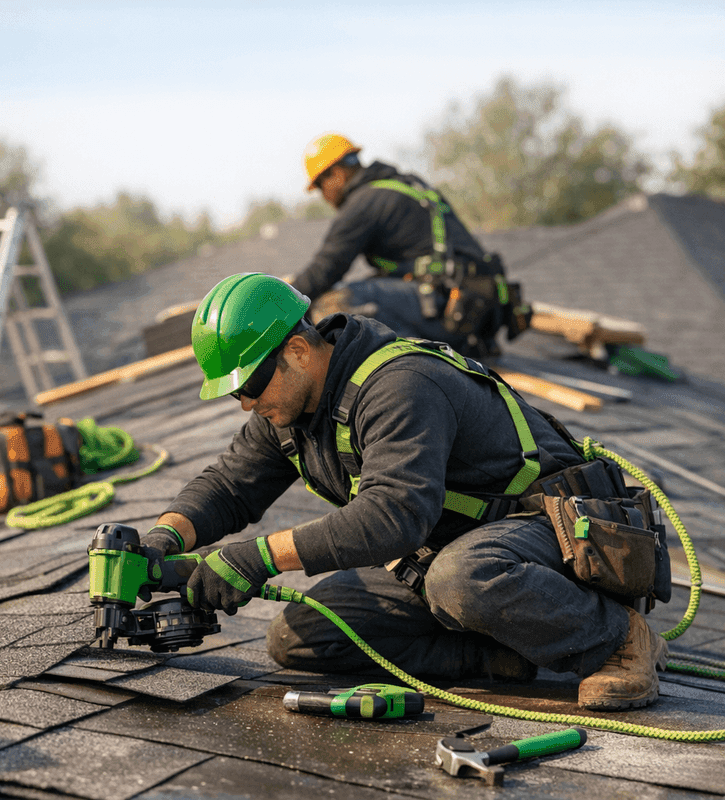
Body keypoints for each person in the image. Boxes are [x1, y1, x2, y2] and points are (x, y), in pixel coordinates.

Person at [141, 272, 670, 711]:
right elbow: (231, 485)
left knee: (461, 577)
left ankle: (618, 638)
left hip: (551, 533)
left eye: (249, 387)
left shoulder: (400, 385)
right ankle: (496, 654)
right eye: (235, 393)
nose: (245, 404)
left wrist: (258, 558)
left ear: (298, 351)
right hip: (457, 552)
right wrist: (166, 536)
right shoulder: (288, 409)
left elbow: (392, 518)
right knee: (300, 636)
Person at [290, 133, 525, 358]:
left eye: (320, 186)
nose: (323, 195)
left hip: (448, 307)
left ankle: (420, 361)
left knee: (333, 302)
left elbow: (325, 269)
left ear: (337, 173)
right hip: (479, 309)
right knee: (370, 286)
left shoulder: (362, 204)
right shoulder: (408, 185)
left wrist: (284, 301)